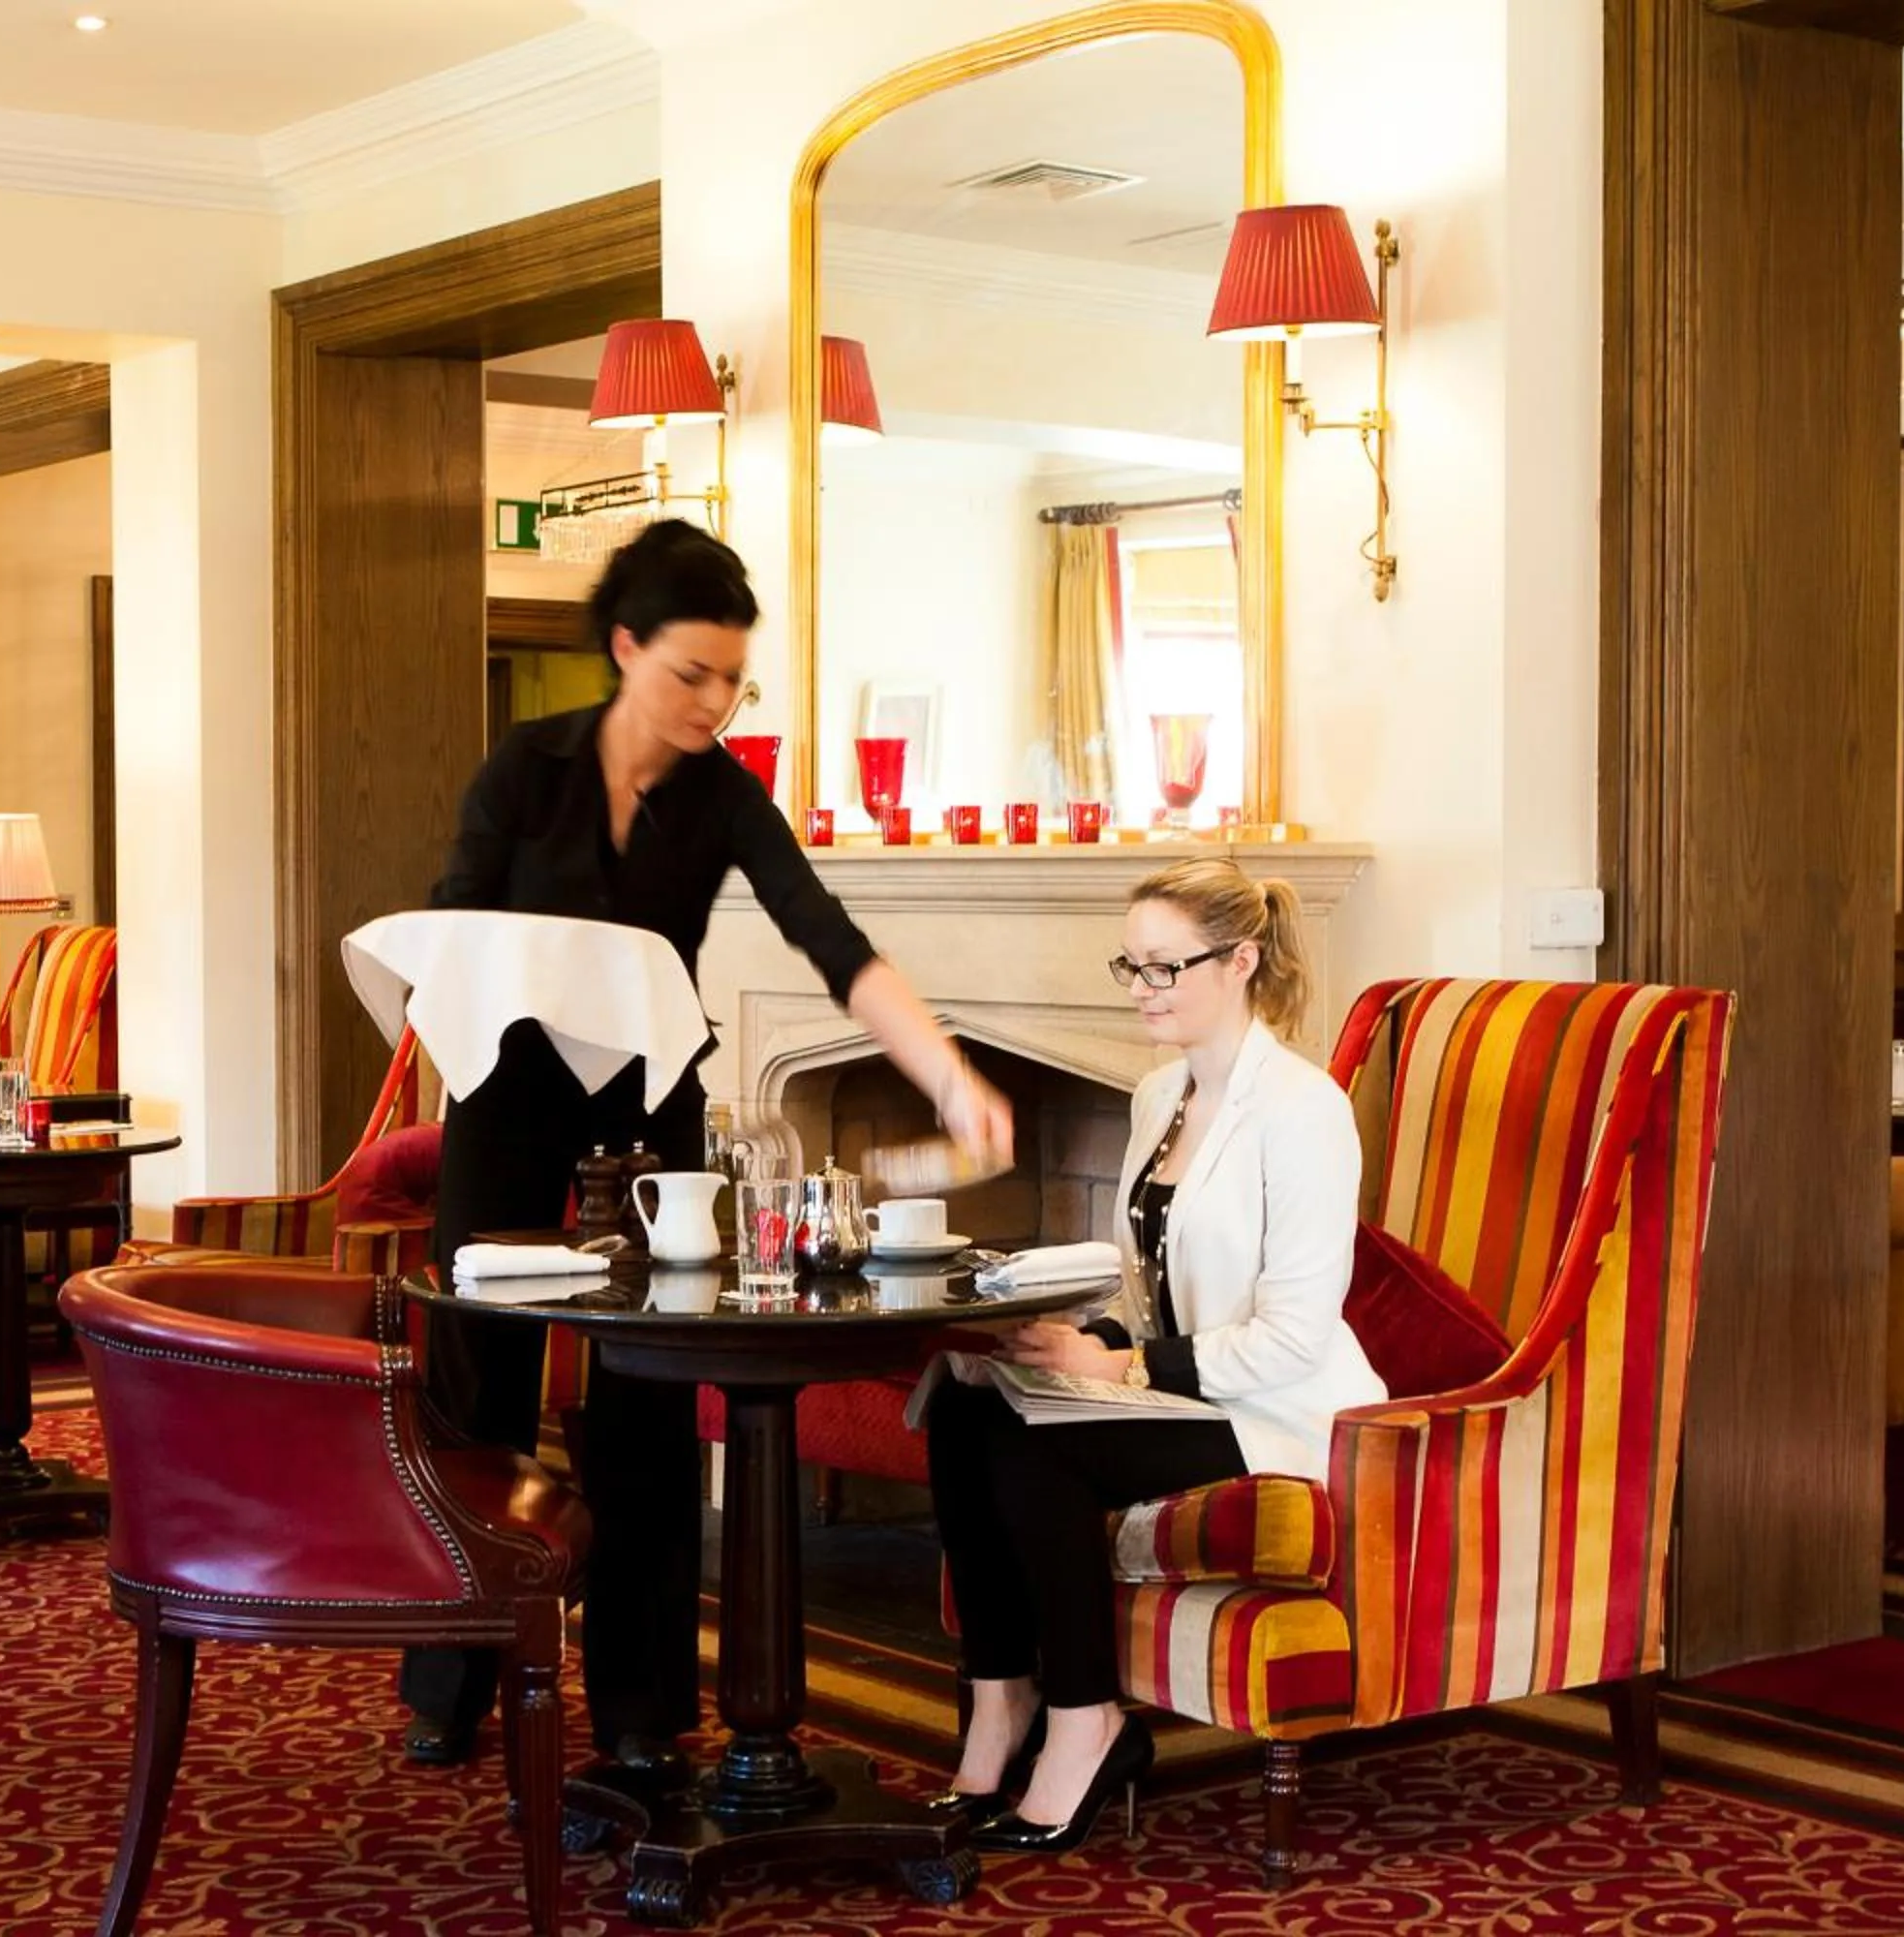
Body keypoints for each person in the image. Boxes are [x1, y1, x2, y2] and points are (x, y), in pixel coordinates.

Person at [400, 518, 1014, 1778]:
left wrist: (949, 1074)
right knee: (478, 1399)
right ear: (625, 648)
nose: (714, 701)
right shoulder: (527, 768)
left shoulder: (727, 794)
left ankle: (638, 1713)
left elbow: (828, 941)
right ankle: (452, 1679)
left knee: (646, 1403)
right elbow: (451, 934)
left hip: (647, 1118)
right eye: (692, 673)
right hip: (508, 1108)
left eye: (733, 679)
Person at [920, 856, 1379, 1852]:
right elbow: (1152, 1287)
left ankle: (1089, 1722)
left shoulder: (1304, 1111)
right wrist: (1068, 1337)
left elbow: (1296, 1333)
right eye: (1130, 965)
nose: (1140, 988)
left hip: (1279, 1409)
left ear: (1243, 958)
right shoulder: (1158, 1091)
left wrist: (1117, 1371)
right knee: (966, 1399)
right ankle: (1002, 1701)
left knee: (1038, 1443)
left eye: (1165, 967)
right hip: (1187, 1385)